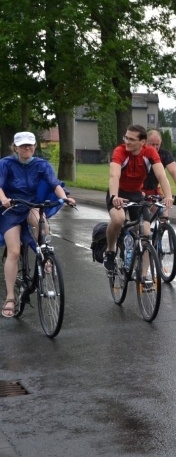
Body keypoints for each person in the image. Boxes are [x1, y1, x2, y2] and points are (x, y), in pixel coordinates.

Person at [0, 131, 75, 317]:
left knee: (42, 224)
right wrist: (4, 200)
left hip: (31, 205)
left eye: (30, 145)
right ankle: (10, 297)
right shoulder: (6, 164)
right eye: (23, 145)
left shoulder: (41, 164)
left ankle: (46, 256)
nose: (27, 148)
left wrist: (65, 198)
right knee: (14, 251)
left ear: (34, 146)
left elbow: (54, 183)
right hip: (11, 208)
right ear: (15, 147)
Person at [104, 125, 173, 273]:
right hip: (118, 192)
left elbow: (162, 175)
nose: (127, 141)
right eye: (126, 138)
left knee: (146, 235)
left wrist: (167, 196)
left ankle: (143, 276)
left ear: (142, 142)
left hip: (136, 194)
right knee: (118, 219)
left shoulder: (150, 153)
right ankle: (110, 251)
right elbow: (114, 176)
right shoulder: (120, 151)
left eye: (131, 139)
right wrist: (114, 196)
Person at [144, 129, 176, 219]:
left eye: (157, 145)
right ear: (145, 142)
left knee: (164, 213)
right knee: (141, 221)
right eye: (152, 144)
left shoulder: (164, 154)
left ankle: (163, 227)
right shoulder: (140, 153)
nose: (155, 148)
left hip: (154, 190)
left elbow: (174, 172)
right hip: (138, 191)